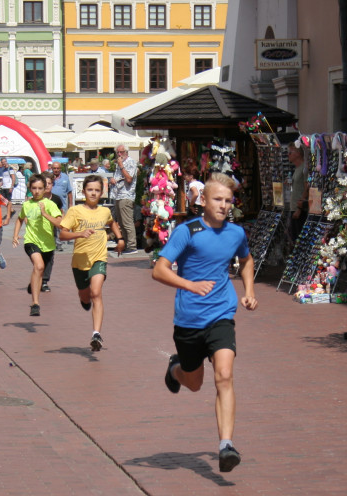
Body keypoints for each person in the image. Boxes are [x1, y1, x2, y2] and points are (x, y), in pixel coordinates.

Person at [152, 173, 258, 473]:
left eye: (228, 200)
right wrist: (189, 285)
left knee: (224, 375)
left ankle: (226, 445)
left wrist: (249, 291)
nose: (224, 205)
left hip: (222, 314)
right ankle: (175, 370)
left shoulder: (236, 233)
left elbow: (246, 261)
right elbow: (159, 270)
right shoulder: (188, 231)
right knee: (195, 383)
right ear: (203, 200)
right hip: (189, 319)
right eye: (218, 199)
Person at [58, 174, 124, 351]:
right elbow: (62, 234)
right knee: (85, 295)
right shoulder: (75, 211)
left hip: (99, 258)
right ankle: (84, 300)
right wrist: (79, 233)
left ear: (102, 193)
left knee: (96, 293)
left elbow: (112, 223)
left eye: (96, 190)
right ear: (83, 191)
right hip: (79, 261)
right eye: (90, 190)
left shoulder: (105, 211)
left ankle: (96, 334)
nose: (93, 193)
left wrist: (120, 238)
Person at [12, 174, 62, 317]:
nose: (37, 191)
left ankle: (32, 285)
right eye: (34, 188)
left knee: (39, 271)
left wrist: (45, 214)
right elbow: (19, 219)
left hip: (48, 244)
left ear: (45, 188)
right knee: (39, 266)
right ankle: (35, 303)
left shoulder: (50, 204)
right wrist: (15, 235)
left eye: (40, 188)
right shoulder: (27, 204)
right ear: (30, 188)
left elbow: (60, 223)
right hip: (31, 241)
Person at [110, 144, 139, 254]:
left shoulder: (130, 162)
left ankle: (132, 246)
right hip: (118, 195)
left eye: (121, 152)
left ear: (126, 152)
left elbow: (129, 178)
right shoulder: (119, 164)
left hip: (126, 196)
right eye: (117, 152)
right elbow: (120, 178)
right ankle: (127, 245)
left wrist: (121, 165)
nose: (119, 154)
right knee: (121, 223)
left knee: (127, 222)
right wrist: (113, 179)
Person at [288, 143, 308, 240]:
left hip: (299, 209)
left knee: (299, 238)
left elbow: (307, 187)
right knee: (294, 237)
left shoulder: (304, 168)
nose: (288, 155)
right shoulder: (297, 169)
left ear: (298, 153)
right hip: (294, 207)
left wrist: (299, 208)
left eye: (290, 152)